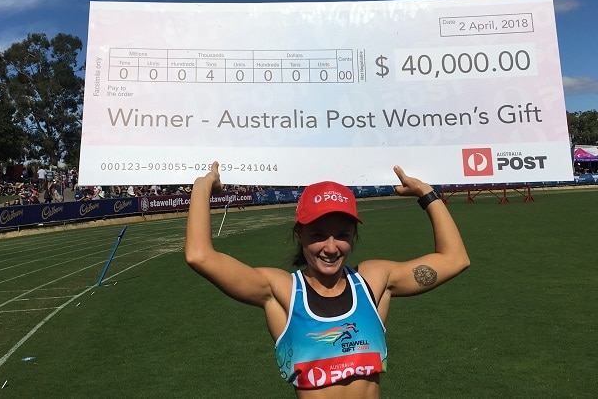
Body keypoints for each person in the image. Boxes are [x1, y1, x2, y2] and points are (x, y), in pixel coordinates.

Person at [185, 162, 469, 397]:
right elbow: (200, 256)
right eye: (318, 235)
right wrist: (202, 186)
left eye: (342, 235)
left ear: (353, 236)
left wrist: (426, 193)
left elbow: (455, 259)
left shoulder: (373, 281)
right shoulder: (281, 290)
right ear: (300, 235)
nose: (331, 248)